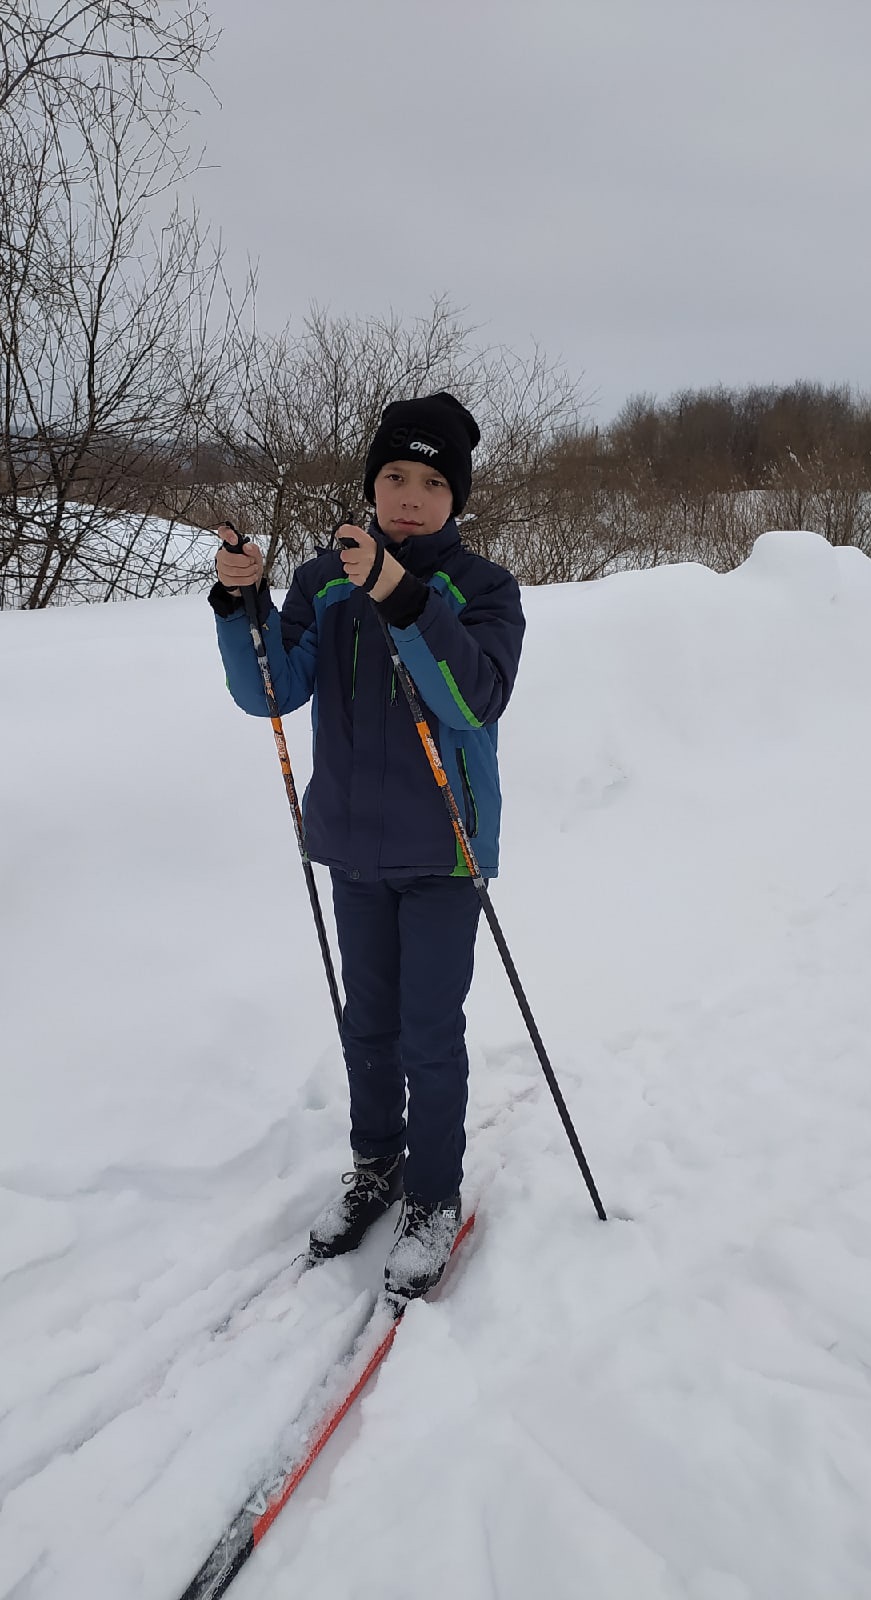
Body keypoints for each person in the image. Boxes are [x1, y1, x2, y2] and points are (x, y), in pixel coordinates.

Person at [209, 392, 525, 1300]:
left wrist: (405, 599)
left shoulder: (482, 590)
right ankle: (375, 1163)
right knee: (369, 1028)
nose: (410, 496)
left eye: (431, 482)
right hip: (352, 848)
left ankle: (432, 1195)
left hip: (445, 853)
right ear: (370, 484)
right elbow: (273, 690)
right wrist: (242, 602)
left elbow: (472, 700)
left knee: (431, 1032)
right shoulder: (324, 582)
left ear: (455, 498)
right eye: (394, 476)